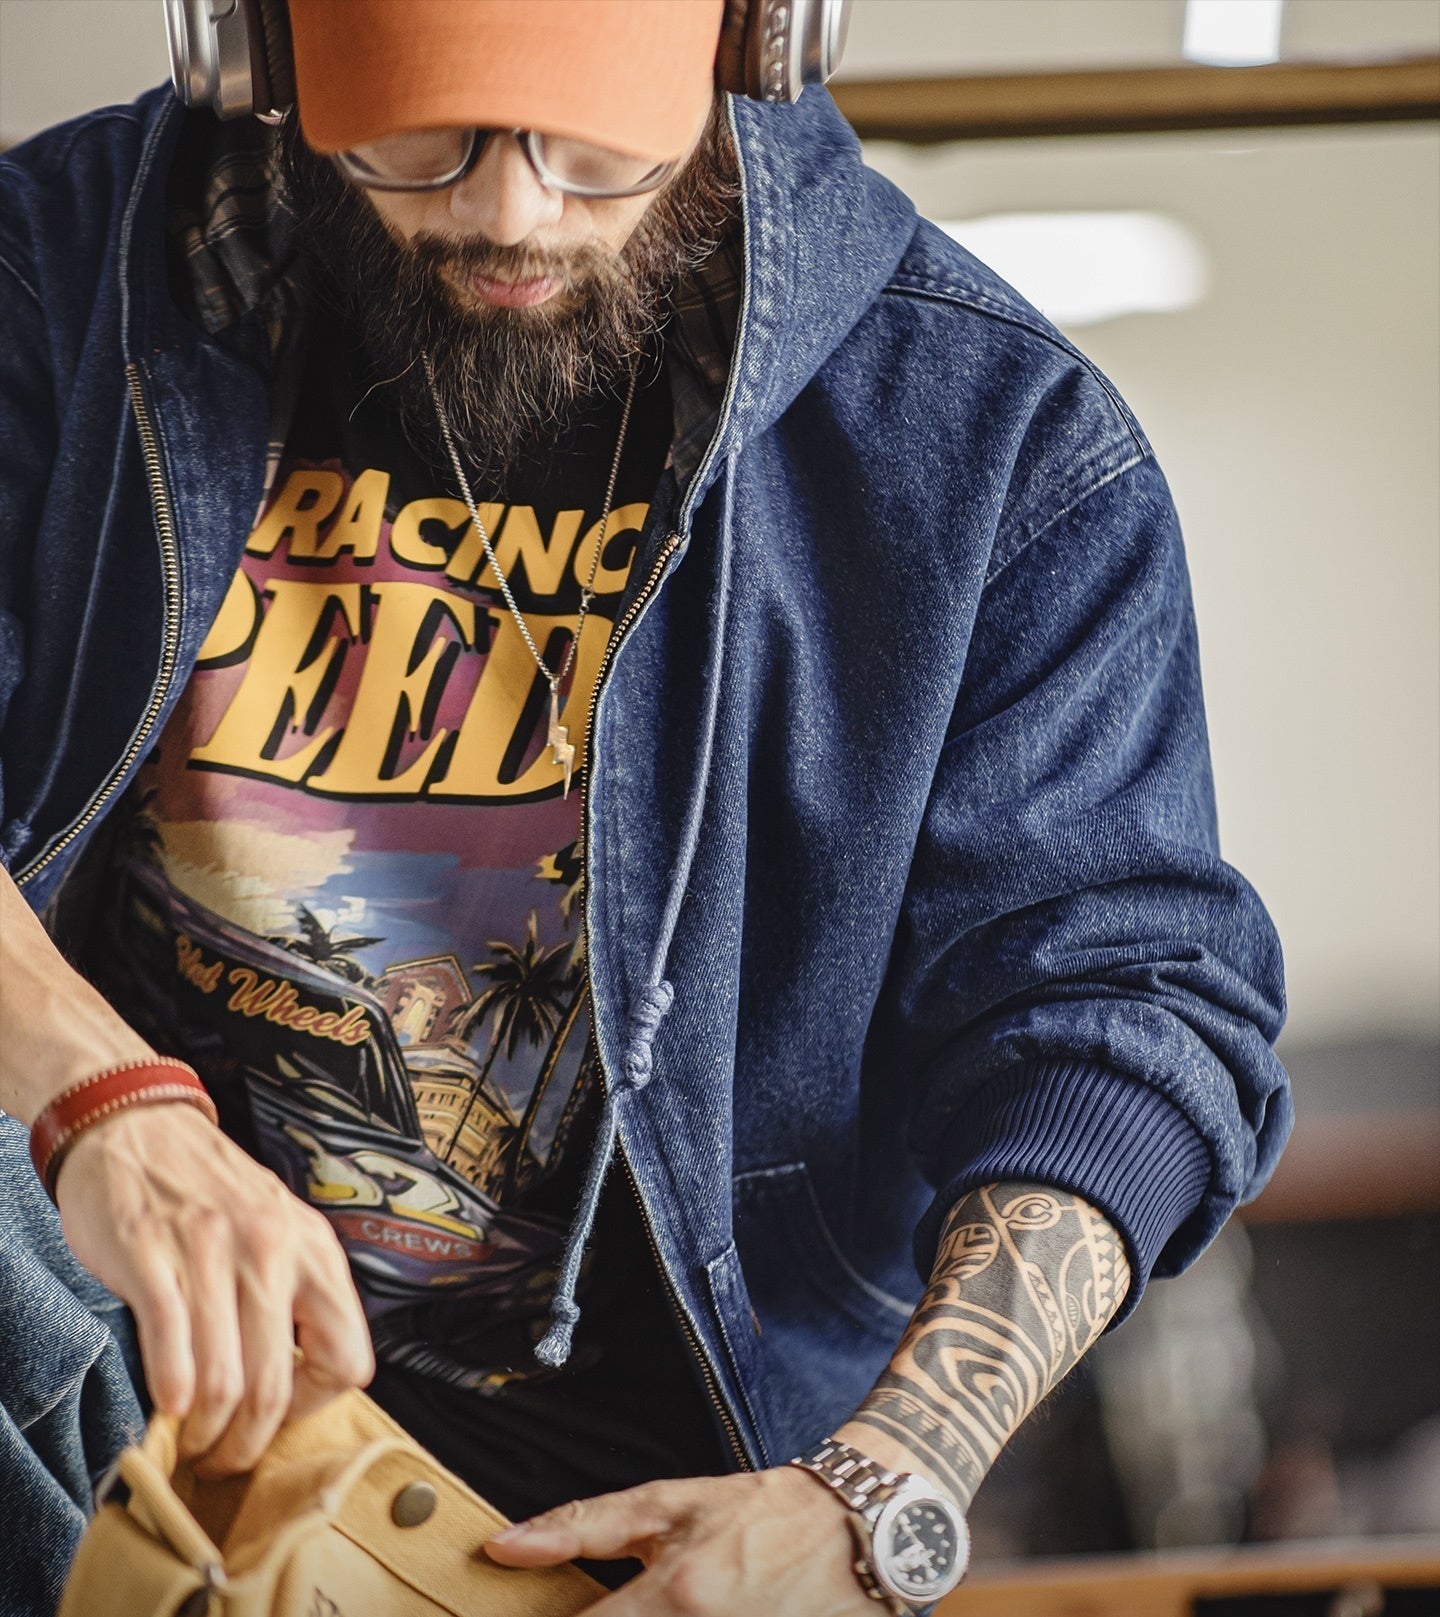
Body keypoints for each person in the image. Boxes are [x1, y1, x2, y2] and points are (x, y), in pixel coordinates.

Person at [0, 1, 1291, 1611]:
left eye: (589, 146)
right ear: (257, 46)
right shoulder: (51, 286)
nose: (507, 210)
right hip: (116, 1439)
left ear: (758, 40)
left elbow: (1120, 1021)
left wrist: (882, 1483)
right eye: (421, 137)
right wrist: (98, 1096)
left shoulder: (996, 446)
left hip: (656, 1517)